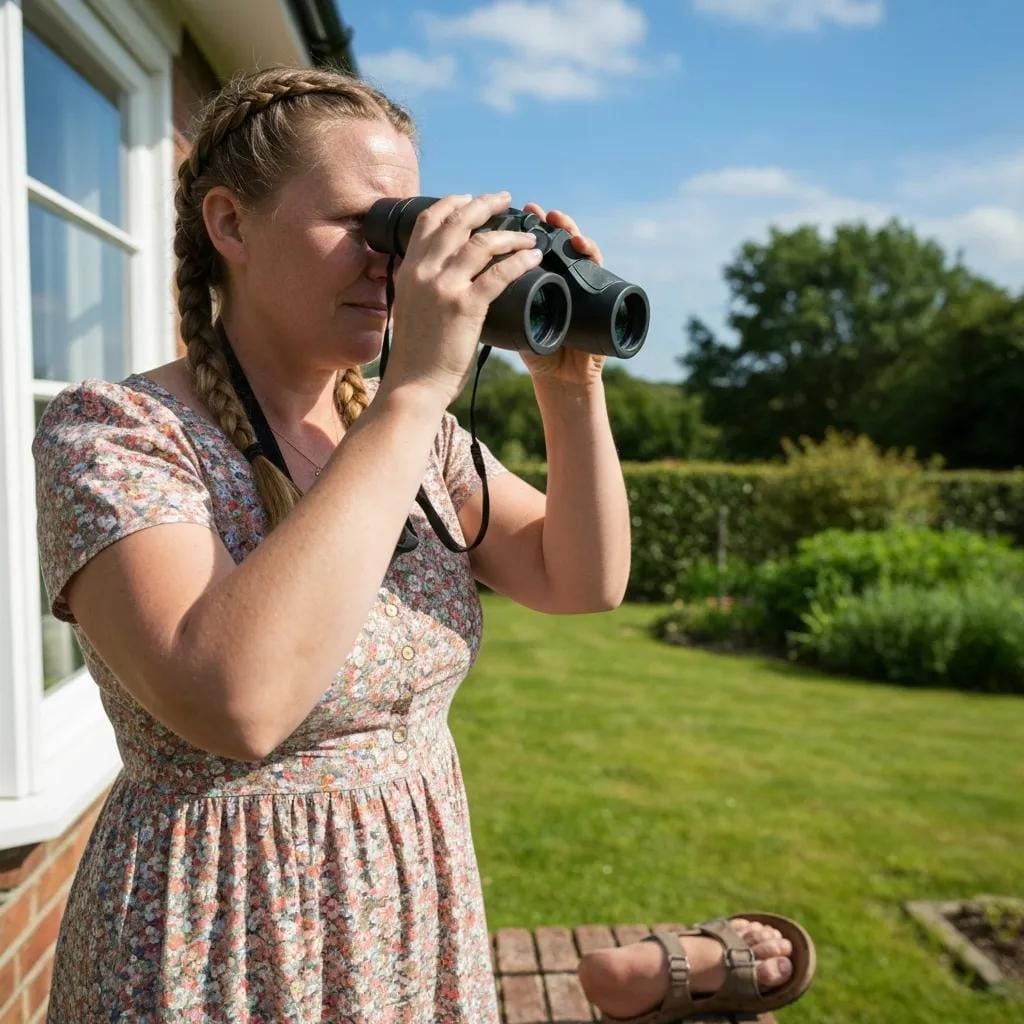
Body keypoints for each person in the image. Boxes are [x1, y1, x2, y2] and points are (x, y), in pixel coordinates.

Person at [33, 66, 812, 1023]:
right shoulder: (116, 432)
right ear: (229, 225)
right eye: (365, 228)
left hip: (409, 909)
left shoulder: (415, 440)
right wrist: (413, 388)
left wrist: (571, 386)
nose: (390, 266)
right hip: (223, 936)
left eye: (402, 230)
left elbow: (584, 578)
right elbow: (237, 703)